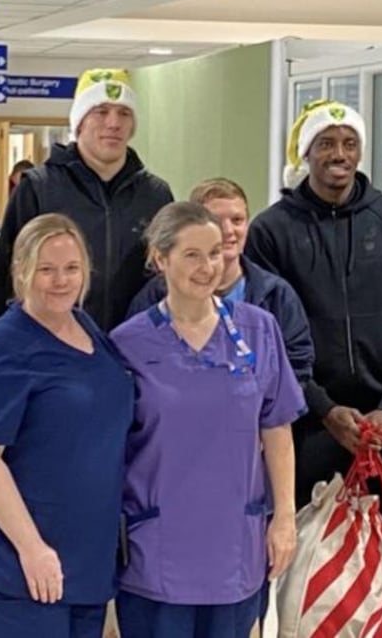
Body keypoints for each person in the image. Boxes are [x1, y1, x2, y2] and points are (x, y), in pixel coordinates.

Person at [111, 202, 303, 638]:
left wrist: (285, 519)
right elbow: (111, 451)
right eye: (192, 255)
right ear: (160, 260)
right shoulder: (129, 343)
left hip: (236, 543)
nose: (207, 267)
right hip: (158, 546)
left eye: (215, 253)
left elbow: (277, 429)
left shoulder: (259, 330)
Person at [245, 99, 382, 523]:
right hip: (305, 423)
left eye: (350, 143)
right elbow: (269, 337)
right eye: (326, 143)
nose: (339, 154)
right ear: (306, 153)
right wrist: (324, 408)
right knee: (307, 561)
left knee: (381, 556)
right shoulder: (271, 231)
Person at [0, 214, 135, 637]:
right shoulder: (0, 350)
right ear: (21, 272)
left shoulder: (86, 328)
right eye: (45, 269)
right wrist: (31, 548)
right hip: (19, 559)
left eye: (71, 268)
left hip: (85, 557)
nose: (60, 281)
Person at [0, 68, 173, 332]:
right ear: (79, 122)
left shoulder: (156, 195)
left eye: (124, 113)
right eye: (101, 111)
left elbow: (167, 277)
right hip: (56, 347)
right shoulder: (38, 189)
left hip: (137, 349)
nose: (114, 123)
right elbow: (8, 280)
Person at [127, 177, 313, 381]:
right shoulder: (155, 296)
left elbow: (296, 367)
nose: (228, 230)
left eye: (237, 220)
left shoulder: (276, 295)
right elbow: (135, 367)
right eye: (216, 220)